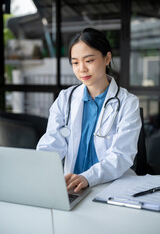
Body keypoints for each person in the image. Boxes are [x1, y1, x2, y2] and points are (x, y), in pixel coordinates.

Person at [37, 28, 141, 193]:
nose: (82, 69)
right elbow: (51, 144)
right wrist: (39, 168)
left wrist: (88, 177)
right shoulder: (65, 99)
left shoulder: (128, 102)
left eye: (89, 61)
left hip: (111, 186)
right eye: (75, 62)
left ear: (107, 58)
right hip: (73, 187)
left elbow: (121, 155)